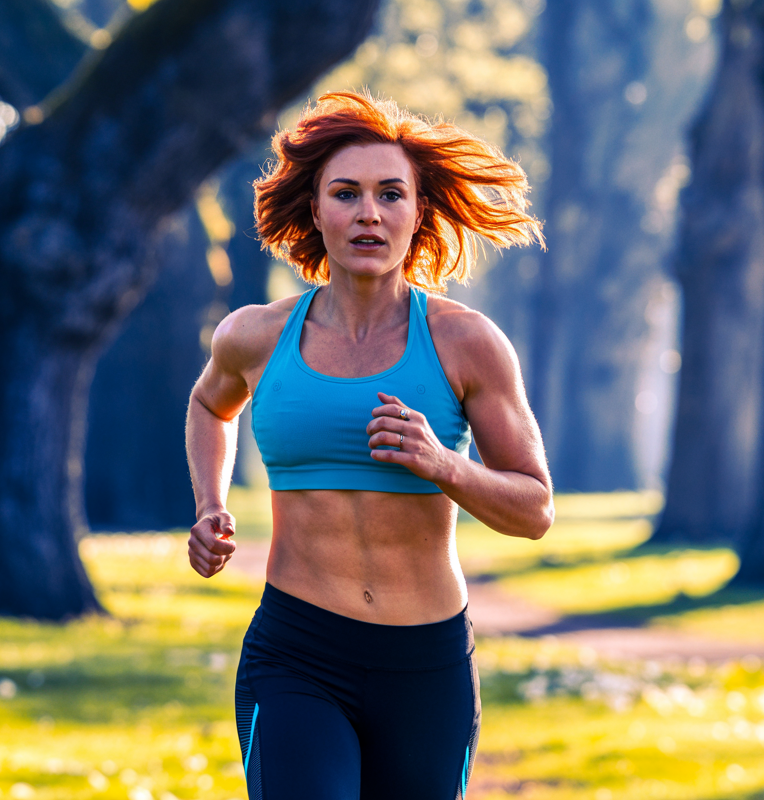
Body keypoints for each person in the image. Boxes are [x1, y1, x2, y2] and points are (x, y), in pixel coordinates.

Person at [185, 91, 553, 800]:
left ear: (418, 213)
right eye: (346, 194)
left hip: (426, 664)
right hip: (297, 653)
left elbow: (534, 508)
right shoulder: (255, 335)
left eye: (391, 195)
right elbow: (209, 403)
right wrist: (208, 504)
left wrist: (442, 463)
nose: (369, 214)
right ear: (315, 209)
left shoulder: (466, 343)